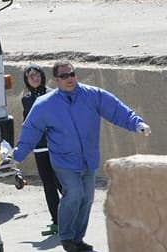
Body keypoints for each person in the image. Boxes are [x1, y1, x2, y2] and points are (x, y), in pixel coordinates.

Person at [13, 61, 151, 252]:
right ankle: (67, 237)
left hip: (88, 158)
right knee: (74, 193)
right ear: (56, 80)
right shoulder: (45, 104)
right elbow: (30, 131)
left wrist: (136, 123)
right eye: (64, 76)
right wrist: (16, 156)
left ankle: (78, 239)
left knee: (87, 197)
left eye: (72, 74)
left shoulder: (92, 95)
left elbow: (115, 109)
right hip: (64, 161)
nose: (70, 79)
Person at [21, 64, 62, 234]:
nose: (35, 78)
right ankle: (57, 221)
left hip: (55, 146)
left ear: (42, 76)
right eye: (31, 76)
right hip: (39, 148)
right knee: (48, 185)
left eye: (37, 75)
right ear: (27, 80)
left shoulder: (52, 94)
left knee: (62, 183)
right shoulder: (26, 98)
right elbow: (28, 123)